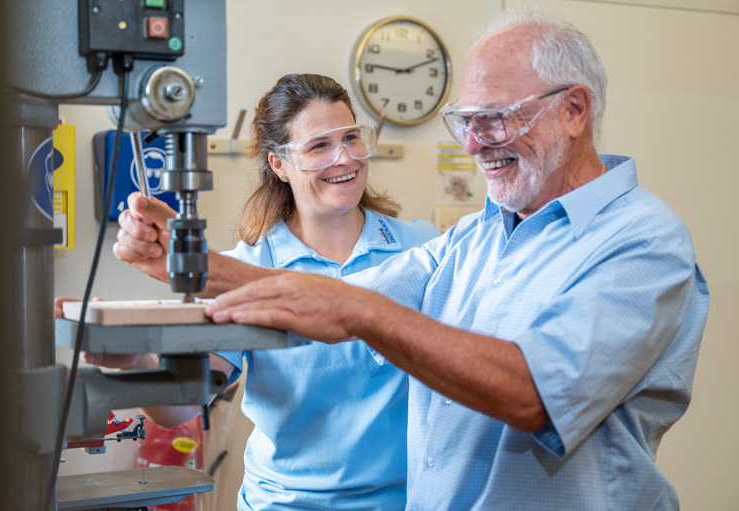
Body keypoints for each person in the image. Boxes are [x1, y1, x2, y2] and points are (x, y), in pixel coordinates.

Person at [201, 11, 710, 510]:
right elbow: (341, 297)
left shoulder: (643, 240)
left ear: (574, 110)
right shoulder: (478, 233)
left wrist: (360, 314)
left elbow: (534, 395)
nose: (471, 143)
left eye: (495, 118)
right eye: (466, 121)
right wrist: (193, 264)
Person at [100, 73, 439, 510]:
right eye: (319, 145)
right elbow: (179, 406)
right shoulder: (247, 268)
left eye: (352, 137)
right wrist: (135, 362)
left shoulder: (420, 247)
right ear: (279, 164)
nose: (346, 158)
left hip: (408, 500)